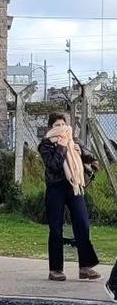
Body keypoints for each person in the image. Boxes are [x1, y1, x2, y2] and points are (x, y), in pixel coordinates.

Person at [38, 112, 103, 281]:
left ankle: (85, 267)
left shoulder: (73, 140)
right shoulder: (46, 145)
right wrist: (62, 147)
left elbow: (85, 152)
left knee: (82, 223)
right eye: (56, 126)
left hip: (74, 186)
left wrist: (90, 158)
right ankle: (56, 269)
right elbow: (53, 164)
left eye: (63, 125)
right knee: (56, 228)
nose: (61, 128)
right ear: (50, 128)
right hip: (55, 188)